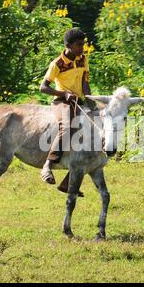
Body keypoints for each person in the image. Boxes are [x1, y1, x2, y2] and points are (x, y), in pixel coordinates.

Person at [39, 27, 95, 196]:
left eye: (83, 44)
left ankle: (67, 184)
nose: (82, 48)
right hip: (62, 102)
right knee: (69, 126)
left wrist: (92, 102)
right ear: (68, 45)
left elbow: (85, 83)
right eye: (79, 45)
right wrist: (63, 93)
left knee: (92, 137)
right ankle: (47, 166)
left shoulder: (82, 59)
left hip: (79, 101)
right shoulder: (57, 64)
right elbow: (43, 87)